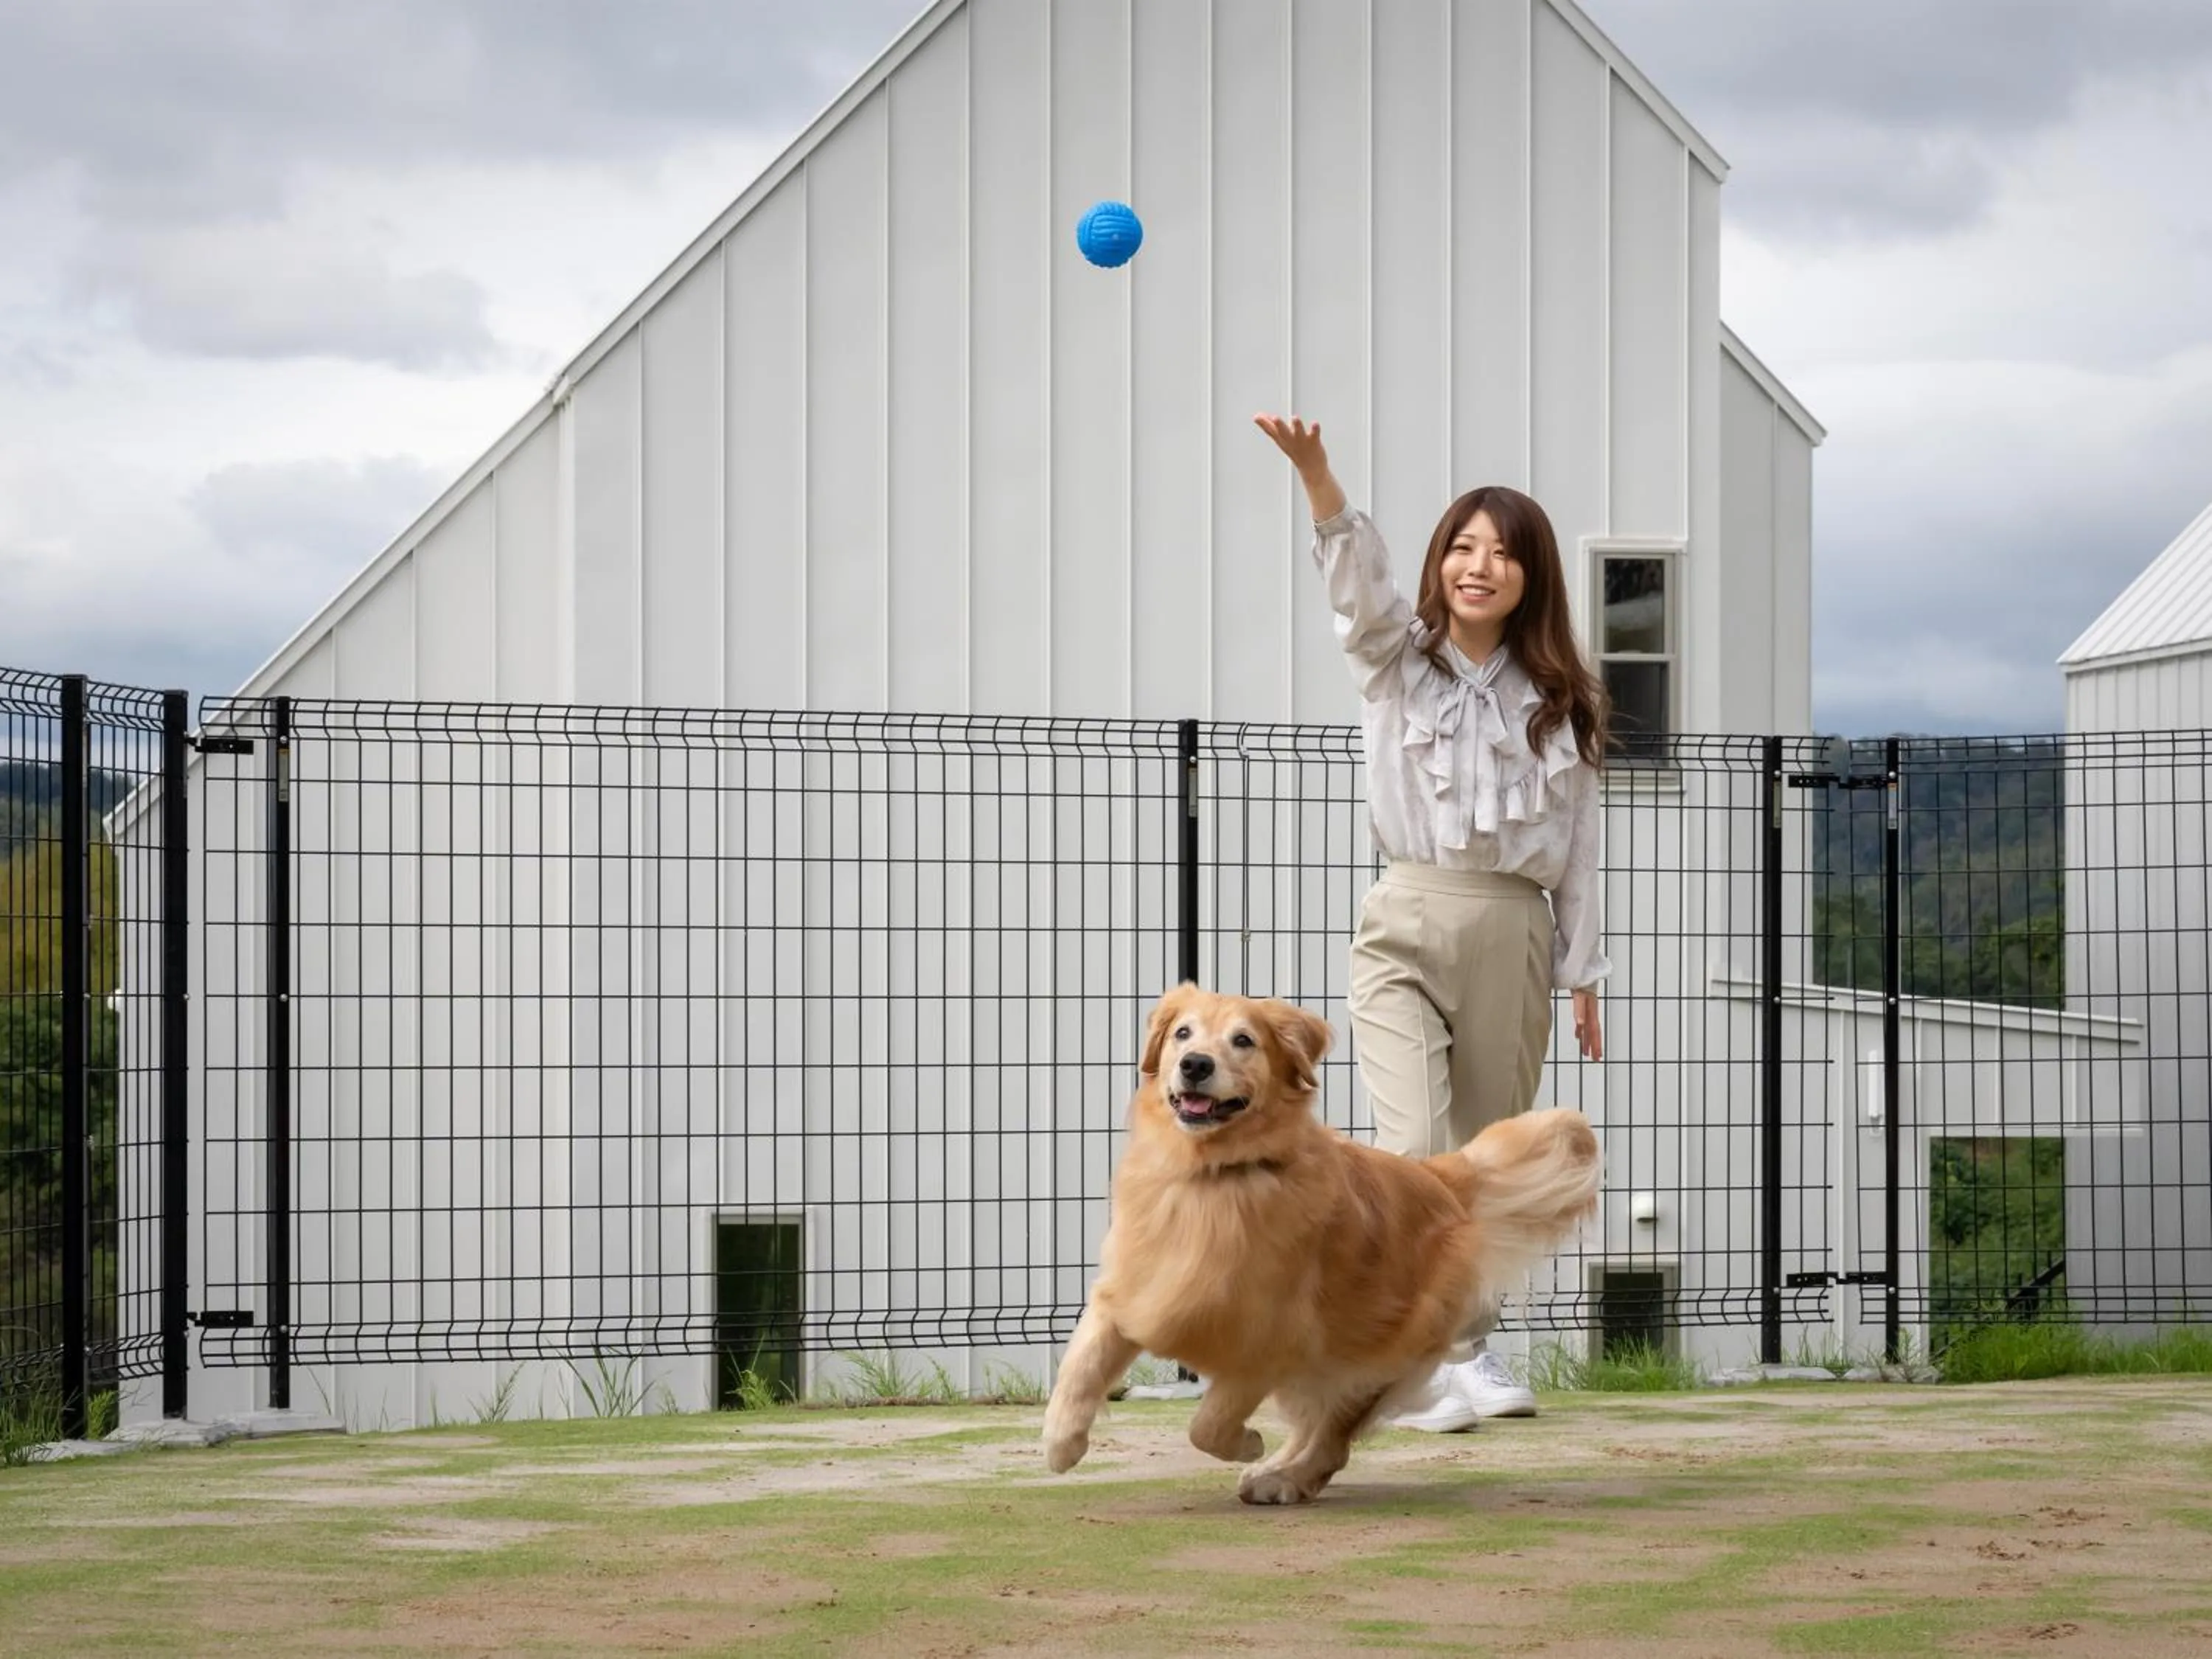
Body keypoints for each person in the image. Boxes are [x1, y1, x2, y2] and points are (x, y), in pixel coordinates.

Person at [1254, 412, 1610, 1431]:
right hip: (1404, 913)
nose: (1479, 565)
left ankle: (1467, 1353)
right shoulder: (1393, 661)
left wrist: (1583, 974)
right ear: (1439, 564)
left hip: (1515, 928)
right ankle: (1406, 1359)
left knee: (1487, 1154)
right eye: (1462, 545)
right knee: (1410, 1148)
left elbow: (1581, 849)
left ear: (1532, 576)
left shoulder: (1563, 701)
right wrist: (1318, 474)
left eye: (1502, 552)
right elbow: (1353, 588)